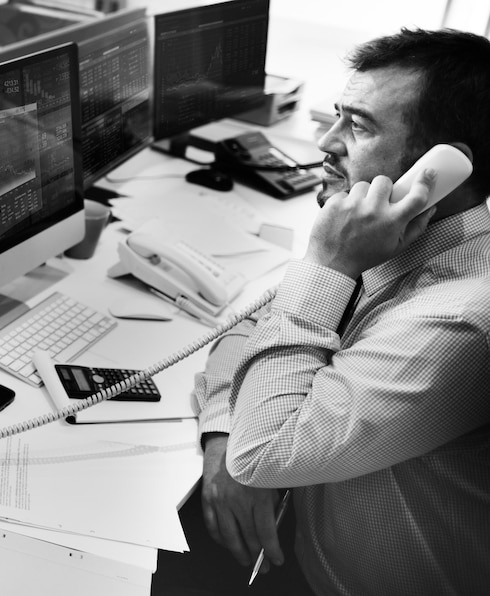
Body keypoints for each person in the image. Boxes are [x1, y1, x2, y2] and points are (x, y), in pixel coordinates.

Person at [181, 27, 490, 595]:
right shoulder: (391, 237)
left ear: (443, 169)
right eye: (337, 116)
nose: (326, 141)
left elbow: (267, 452)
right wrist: (224, 431)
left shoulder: (462, 318)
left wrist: (325, 261)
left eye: (360, 125)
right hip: (299, 541)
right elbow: (253, 325)